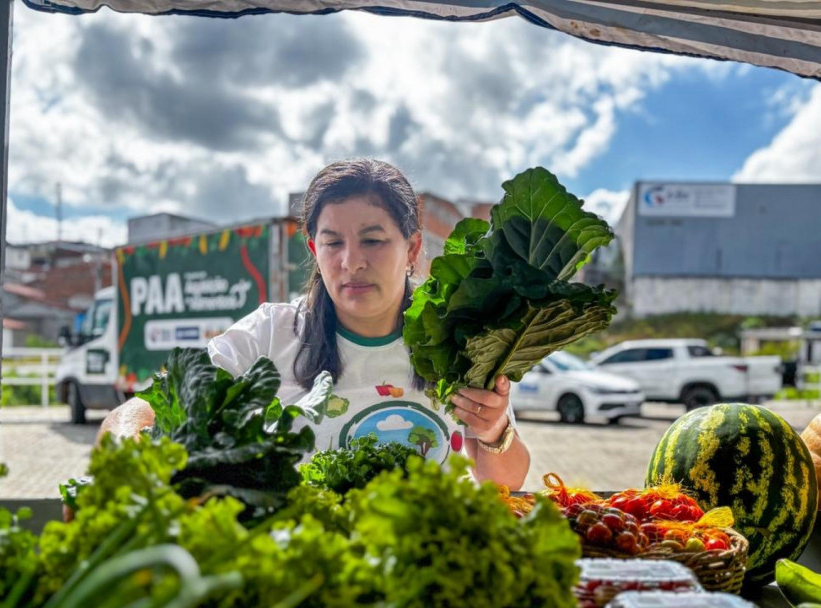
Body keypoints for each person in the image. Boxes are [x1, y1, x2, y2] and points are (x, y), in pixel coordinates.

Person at [99, 158, 530, 490]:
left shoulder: (462, 338)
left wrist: (494, 431)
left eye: (373, 240)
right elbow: (146, 408)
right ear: (313, 249)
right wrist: (127, 446)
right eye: (333, 242)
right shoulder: (270, 333)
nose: (352, 262)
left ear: (412, 248)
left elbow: (507, 482)